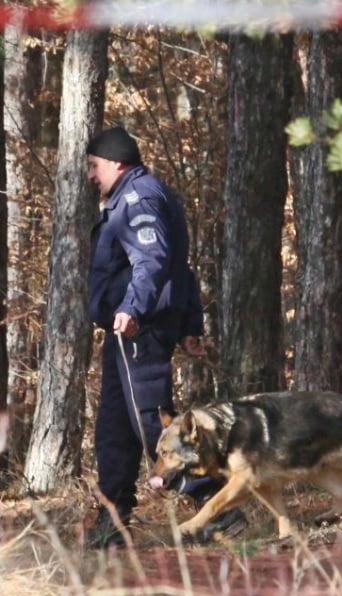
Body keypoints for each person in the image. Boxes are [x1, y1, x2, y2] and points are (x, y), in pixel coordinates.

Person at [83, 126, 247, 549]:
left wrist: (132, 308)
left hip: (139, 326)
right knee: (115, 427)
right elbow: (181, 268)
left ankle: (217, 508)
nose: (90, 176)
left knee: (150, 421)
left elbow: (154, 260)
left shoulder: (138, 198)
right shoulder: (130, 197)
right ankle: (113, 518)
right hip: (128, 328)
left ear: (116, 163)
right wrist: (192, 325)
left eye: (93, 166)